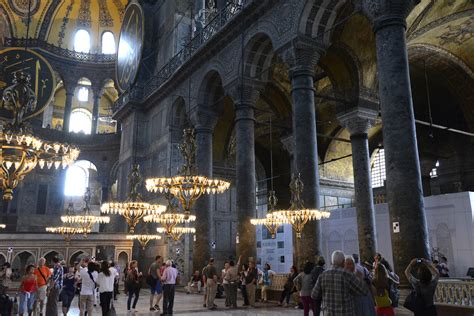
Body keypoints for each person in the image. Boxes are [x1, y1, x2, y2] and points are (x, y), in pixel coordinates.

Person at [312, 250, 368, 315]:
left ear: (332, 261)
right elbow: (364, 291)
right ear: (343, 261)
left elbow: (314, 295)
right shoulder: (347, 275)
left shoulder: (323, 275)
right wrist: (360, 279)